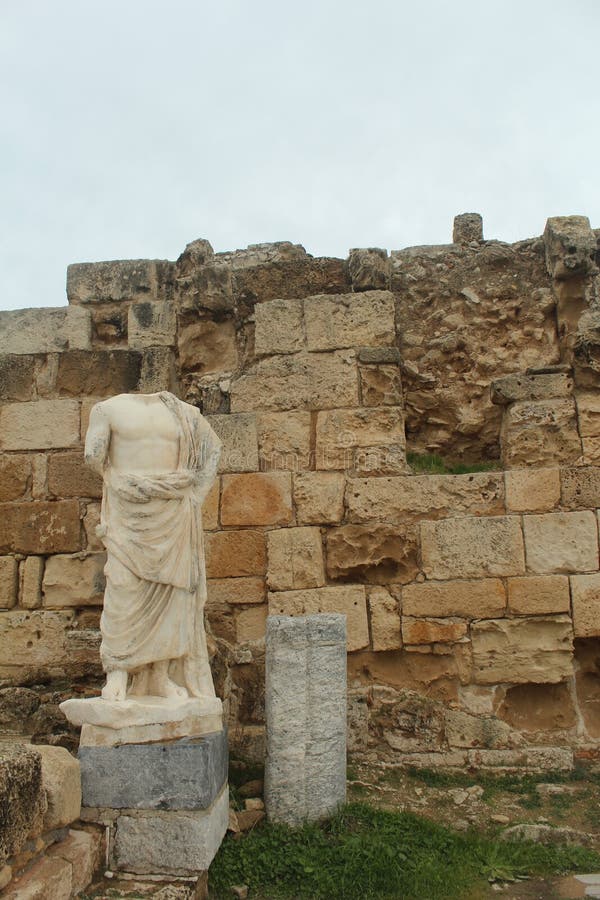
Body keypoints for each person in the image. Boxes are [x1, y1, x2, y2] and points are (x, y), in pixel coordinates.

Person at [84, 391, 221, 703]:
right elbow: (93, 456)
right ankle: (117, 673)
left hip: (173, 513)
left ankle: (160, 677)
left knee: (172, 594)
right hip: (128, 513)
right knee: (122, 588)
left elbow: (213, 449)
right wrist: (125, 482)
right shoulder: (106, 409)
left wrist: (195, 497)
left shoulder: (187, 413)